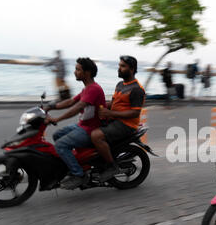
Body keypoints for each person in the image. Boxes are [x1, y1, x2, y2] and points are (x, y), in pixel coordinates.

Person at [45, 57, 106, 189]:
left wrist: (57, 119)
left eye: (78, 69)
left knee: (61, 145)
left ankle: (79, 175)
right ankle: (77, 163)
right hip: (82, 126)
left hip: (90, 130)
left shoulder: (94, 89)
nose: (74, 72)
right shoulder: (86, 89)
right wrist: (50, 107)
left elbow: (78, 107)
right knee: (57, 136)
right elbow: (70, 102)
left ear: (87, 72)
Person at [91, 55, 145, 182]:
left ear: (131, 69)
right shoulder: (120, 84)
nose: (119, 69)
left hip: (126, 125)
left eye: (123, 66)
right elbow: (114, 104)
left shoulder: (137, 89)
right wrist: (96, 105)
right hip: (115, 120)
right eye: (119, 66)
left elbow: (134, 113)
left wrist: (111, 114)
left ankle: (111, 167)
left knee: (96, 136)